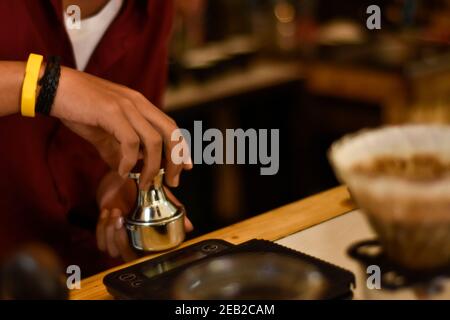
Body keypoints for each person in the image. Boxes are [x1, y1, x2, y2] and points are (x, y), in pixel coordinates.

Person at [0, 0, 193, 276]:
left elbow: (107, 142)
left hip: (91, 275)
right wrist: (50, 86)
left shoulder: (153, 7)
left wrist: (112, 182)